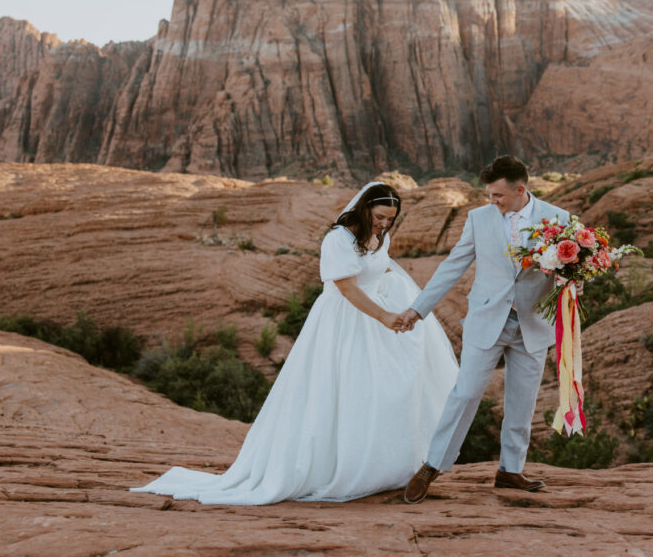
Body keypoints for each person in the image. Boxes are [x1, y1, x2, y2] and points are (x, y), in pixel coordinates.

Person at [130, 182, 458, 504]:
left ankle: (373, 466)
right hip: (344, 321)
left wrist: (403, 301)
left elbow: (382, 266)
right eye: (380, 216)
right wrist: (386, 316)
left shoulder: (377, 237)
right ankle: (328, 467)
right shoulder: (338, 239)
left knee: (373, 392)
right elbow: (349, 289)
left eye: (391, 219)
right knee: (335, 391)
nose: (385, 224)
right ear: (364, 208)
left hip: (373, 319)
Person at [397, 155, 569, 503]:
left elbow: (569, 270)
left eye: (498, 196)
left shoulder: (558, 218)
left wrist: (574, 281)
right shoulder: (478, 219)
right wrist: (418, 309)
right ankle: (433, 465)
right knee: (465, 393)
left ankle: (510, 471)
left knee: (522, 401)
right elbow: (452, 265)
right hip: (486, 321)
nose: (492, 202)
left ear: (521, 190)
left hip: (533, 325)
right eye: (489, 195)